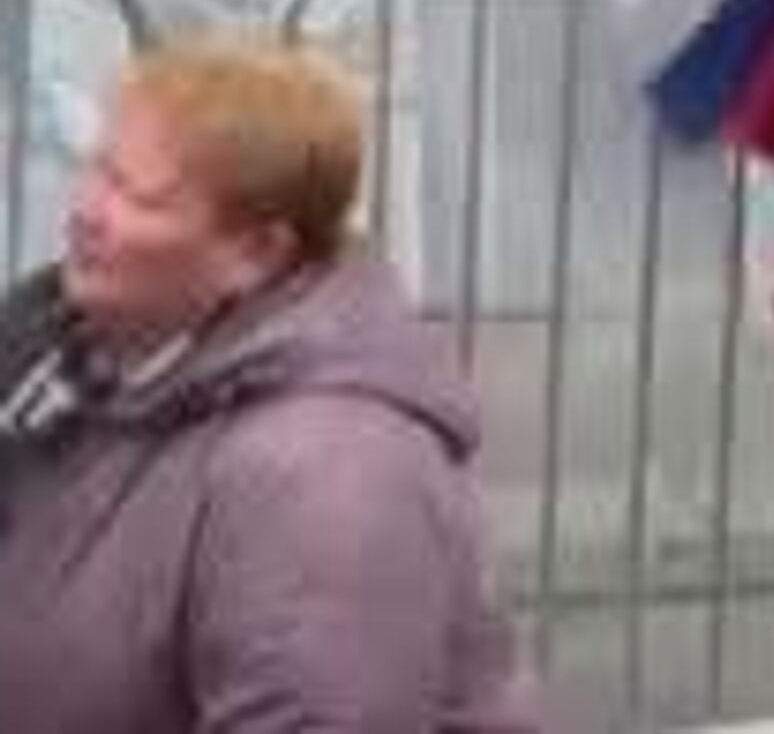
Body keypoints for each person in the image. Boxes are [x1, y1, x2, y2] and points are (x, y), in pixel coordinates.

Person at [0, 36, 539, 733]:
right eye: (100, 172)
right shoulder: (78, 361)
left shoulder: (329, 471)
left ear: (256, 252)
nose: (87, 213)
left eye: (141, 198)